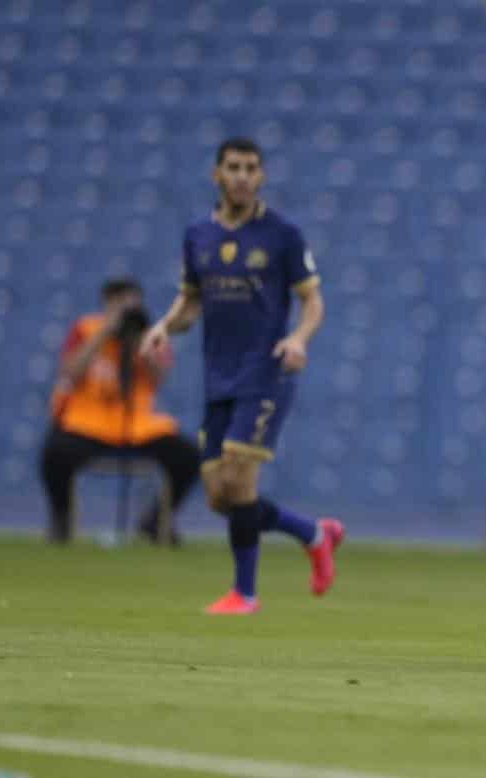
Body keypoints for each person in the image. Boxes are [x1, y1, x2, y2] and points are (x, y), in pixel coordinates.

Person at [141, 137, 343, 615]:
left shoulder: (282, 234)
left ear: (262, 176)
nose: (242, 176)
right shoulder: (198, 235)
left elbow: (313, 300)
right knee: (218, 495)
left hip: (264, 371)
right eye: (233, 167)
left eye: (251, 168)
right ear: (217, 175)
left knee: (240, 480)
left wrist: (298, 339)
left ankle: (245, 594)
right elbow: (191, 303)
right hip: (218, 375)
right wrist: (164, 327)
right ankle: (314, 534)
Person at [41, 277, 201, 545]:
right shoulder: (87, 328)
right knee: (55, 453)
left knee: (187, 456)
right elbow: (69, 373)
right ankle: (62, 518)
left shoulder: (151, 333)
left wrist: (141, 343)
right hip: (89, 424)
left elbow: (158, 378)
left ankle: (156, 521)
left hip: (139, 427)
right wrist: (105, 333)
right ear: (107, 304)